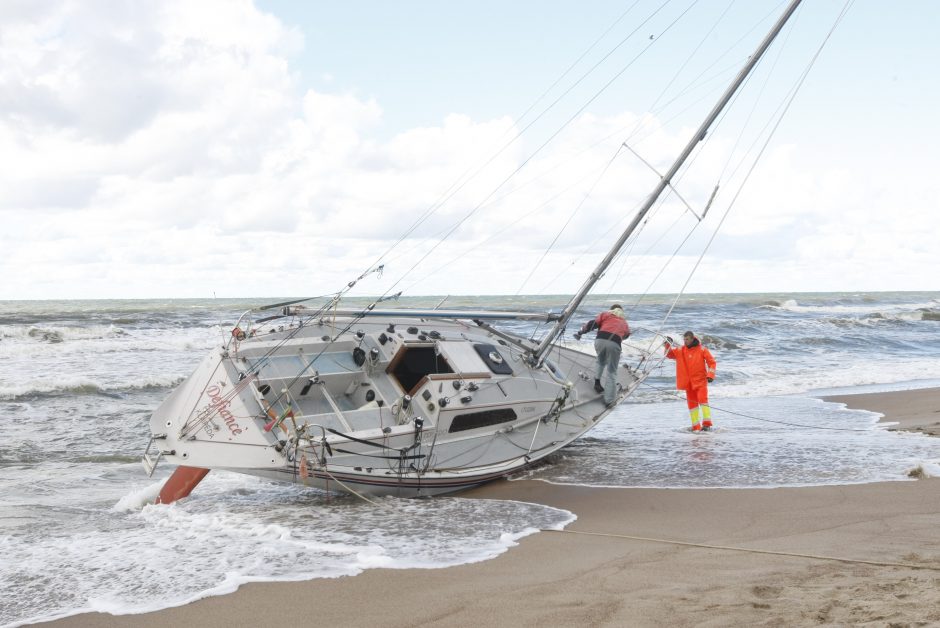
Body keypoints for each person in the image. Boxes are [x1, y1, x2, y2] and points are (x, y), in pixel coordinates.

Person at [574, 304, 630, 407]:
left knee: (600, 360)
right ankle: (609, 400)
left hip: (599, 341)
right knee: (611, 372)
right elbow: (626, 335)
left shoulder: (605, 315)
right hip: (614, 344)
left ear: (611, 310)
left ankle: (597, 383)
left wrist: (581, 332)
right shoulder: (624, 322)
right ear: (621, 312)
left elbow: (592, 324)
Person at [663, 331, 717, 431]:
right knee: (692, 405)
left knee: (703, 401)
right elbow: (669, 354)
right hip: (688, 383)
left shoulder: (702, 350)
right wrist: (667, 344)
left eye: (687, 339)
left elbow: (712, 363)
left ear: (692, 339)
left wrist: (710, 375)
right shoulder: (681, 350)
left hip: (700, 381)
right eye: (684, 339)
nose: (685, 341)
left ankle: (707, 425)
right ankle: (696, 427)